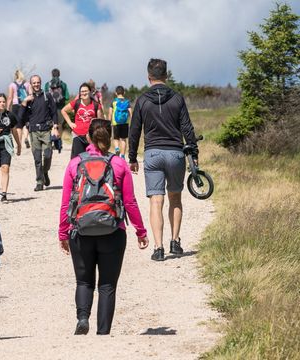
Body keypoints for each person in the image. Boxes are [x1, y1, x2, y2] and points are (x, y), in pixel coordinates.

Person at [59, 119, 149, 335]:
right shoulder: (118, 164)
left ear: (88, 137)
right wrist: (140, 231)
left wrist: (63, 232)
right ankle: (103, 332)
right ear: (109, 138)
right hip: (113, 231)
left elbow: (65, 203)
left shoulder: (75, 164)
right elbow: (129, 202)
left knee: (83, 280)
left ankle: (82, 318)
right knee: (107, 284)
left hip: (80, 231)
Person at [128, 58, 199, 262]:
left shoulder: (142, 100)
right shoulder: (177, 98)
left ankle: (158, 248)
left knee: (156, 201)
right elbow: (187, 128)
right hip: (175, 154)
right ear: (166, 76)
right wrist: (193, 155)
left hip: (153, 154)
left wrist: (132, 157)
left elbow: (134, 131)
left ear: (148, 76)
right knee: (175, 198)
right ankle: (175, 242)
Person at [19, 75, 58, 191]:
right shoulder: (28, 99)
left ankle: (45, 172)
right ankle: (39, 182)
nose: (36, 84)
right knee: (37, 158)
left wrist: (55, 126)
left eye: (38, 82)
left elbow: (54, 112)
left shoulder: (48, 96)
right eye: (34, 83)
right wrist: (25, 101)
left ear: (41, 83)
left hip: (46, 130)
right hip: (33, 132)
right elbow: (20, 117)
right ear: (31, 84)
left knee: (48, 155)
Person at [61, 83, 103, 159]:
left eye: (86, 91)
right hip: (78, 135)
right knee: (77, 159)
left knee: (91, 159)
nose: (84, 93)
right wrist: (70, 123)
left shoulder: (96, 105)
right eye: (82, 91)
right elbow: (63, 111)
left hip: (91, 137)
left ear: (90, 92)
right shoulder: (76, 103)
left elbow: (99, 121)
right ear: (80, 93)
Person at [44, 68, 69, 151]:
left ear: (51, 74)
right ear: (59, 74)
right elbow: (67, 96)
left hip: (50, 107)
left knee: (51, 125)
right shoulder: (63, 85)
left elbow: (45, 96)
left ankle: (51, 140)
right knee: (60, 125)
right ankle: (58, 141)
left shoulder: (47, 84)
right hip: (60, 107)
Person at [7, 69, 32, 149]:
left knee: (18, 125)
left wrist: (7, 108)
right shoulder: (27, 84)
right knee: (25, 123)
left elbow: (10, 97)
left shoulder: (12, 85)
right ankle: (26, 138)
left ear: (15, 75)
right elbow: (31, 95)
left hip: (16, 106)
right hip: (25, 105)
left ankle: (19, 143)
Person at [108, 86, 132, 159]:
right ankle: (123, 155)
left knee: (116, 139)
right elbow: (131, 113)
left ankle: (117, 149)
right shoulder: (127, 102)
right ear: (124, 92)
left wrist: (109, 122)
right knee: (123, 139)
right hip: (125, 123)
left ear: (116, 93)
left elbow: (110, 113)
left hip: (116, 123)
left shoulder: (113, 102)